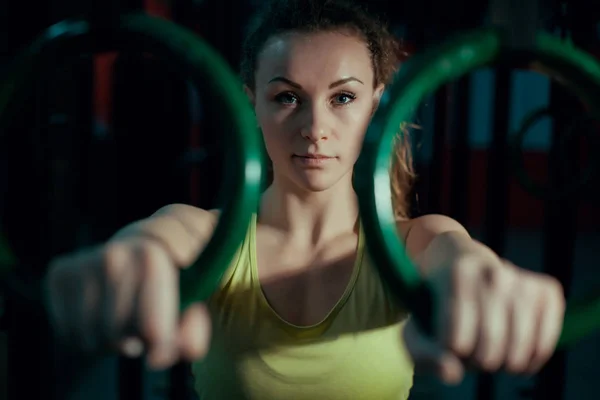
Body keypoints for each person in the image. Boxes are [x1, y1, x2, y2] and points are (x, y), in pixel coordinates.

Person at [45, 1, 566, 399]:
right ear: (252, 104)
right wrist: (132, 259)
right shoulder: (209, 236)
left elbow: (457, 257)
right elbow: (157, 242)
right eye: (287, 97)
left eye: (343, 98)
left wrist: (478, 278)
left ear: (378, 107)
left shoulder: (417, 240)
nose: (315, 128)